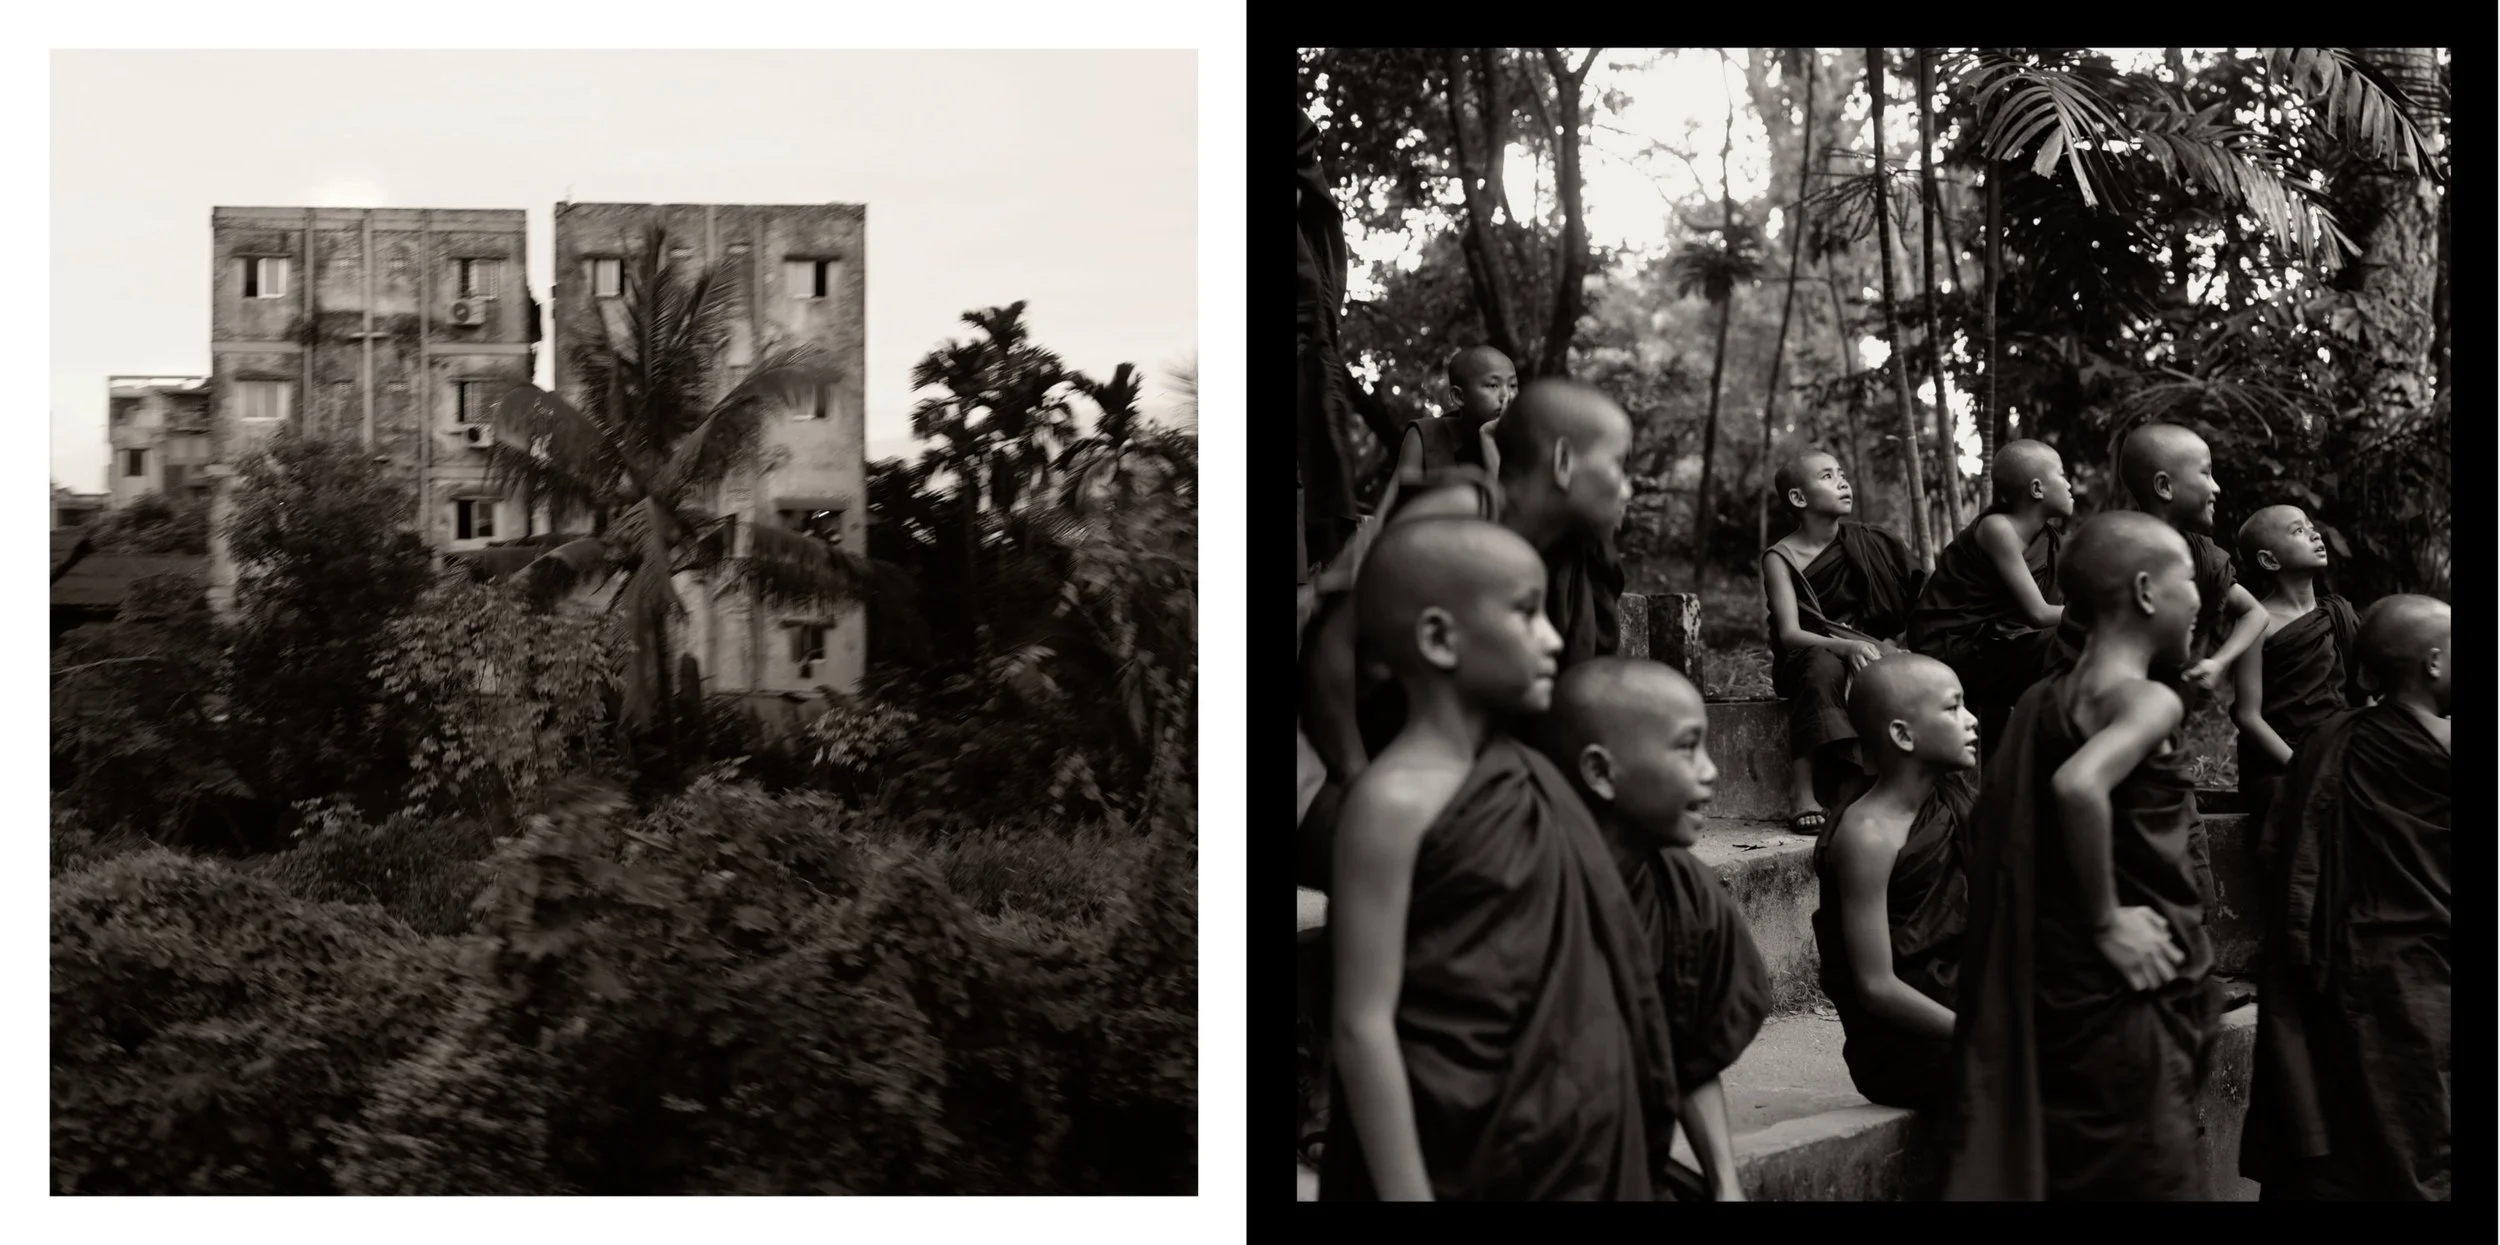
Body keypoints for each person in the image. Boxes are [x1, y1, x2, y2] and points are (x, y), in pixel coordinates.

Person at [1320, 517, 1677, 1200]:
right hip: (1452, 1152)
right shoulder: (1390, 801)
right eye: (1526, 613)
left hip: (1571, 1148)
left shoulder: (1535, 779)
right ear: (1438, 638)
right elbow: (1361, 1023)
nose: (1552, 636)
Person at [1943, 511, 2212, 1201]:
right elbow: (2078, 784)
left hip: (2058, 987)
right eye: (2190, 582)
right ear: (2148, 591)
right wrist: (2106, 919)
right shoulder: (2148, 699)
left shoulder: (2039, 702)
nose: (2199, 600)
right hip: (2122, 985)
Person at [1297, 378, 1633, 890]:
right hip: (1343, 772)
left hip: (1471, 775)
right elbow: (1331, 646)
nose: (1627, 487)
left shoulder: (1578, 552)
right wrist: (1356, 784)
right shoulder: (1458, 510)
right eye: (1618, 466)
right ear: (1563, 463)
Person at [1536, 658, 1771, 1202]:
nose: (1710, 771)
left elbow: (1687, 1057)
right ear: (1600, 772)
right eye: (1687, 748)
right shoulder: (1524, 892)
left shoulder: (1683, 891)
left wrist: (1726, 1187)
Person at [2241, 594, 2449, 1201]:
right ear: (2433, 662)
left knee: (2345, 1137)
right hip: (2422, 982)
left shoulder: (2326, 744)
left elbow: (2285, 857)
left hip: (2336, 980)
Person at [1811, 654, 1976, 1112]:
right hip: (1909, 1045)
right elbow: (1876, 986)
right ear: (1903, 734)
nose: (1972, 720)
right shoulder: (1867, 836)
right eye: (1954, 708)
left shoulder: (1955, 802)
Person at [1760, 450, 1922, 832]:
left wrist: (1886, 645)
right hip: (1805, 658)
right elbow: (1790, 634)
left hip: (1868, 648)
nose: (1843, 482)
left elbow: (1912, 605)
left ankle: (1896, 788)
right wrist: (1846, 646)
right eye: (1828, 477)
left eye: (1842, 474)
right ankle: (1802, 792)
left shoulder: (1871, 542)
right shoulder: (1781, 557)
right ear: (1799, 498)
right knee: (1823, 665)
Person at [1906, 439, 2073, 760]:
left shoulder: (2050, 541)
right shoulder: (1999, 529)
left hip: (1996, 643)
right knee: (2070, 638)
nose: (2069, 485)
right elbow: (2038, 614)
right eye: (2062, 475)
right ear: (2037, 489)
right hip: (1951, 645)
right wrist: (2100, 614)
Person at [2228, 504, 2362, 830]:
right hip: (2281, 766)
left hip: (2340, 754)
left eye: (2311, 526)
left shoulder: (2338, 614)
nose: (2316, 534)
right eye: (2298, 530)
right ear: (2269, 560)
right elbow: (2247, 715)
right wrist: (2302, 767)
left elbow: (2363, 694)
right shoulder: (2258, 622)